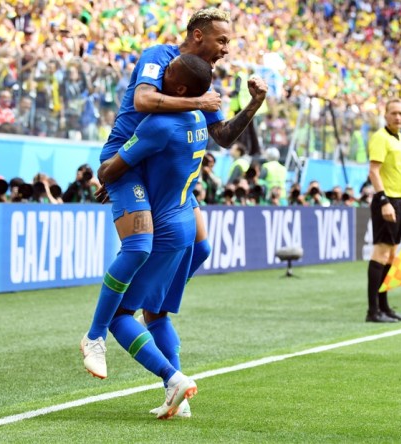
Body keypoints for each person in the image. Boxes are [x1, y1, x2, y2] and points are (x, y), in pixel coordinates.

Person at [81, 7, 267, 381]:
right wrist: (199, 103)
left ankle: (156, 305)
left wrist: (253, 105)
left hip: (160, 170)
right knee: (139, 248)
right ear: (198, 35)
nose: (227, 49)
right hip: (128, 160)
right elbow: (144, 102)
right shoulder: (160, 58)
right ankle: (96, 336)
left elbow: (223, 137)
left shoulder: (202, 81)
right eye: (222, 40)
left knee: (200, 247)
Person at [95, 53, 213, 419]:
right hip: (186, 225)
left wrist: (110, 177)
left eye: (169, 72)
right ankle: (178, 399)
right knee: (157, 314)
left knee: (120, 316)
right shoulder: (198, 118)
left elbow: (109, 169)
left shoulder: (159, 125)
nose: (161, 73)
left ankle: (172, 377)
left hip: (162, 229)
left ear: (178, 87)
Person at [366, 98, 401, 323]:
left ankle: (384, 307)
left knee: (391, 256)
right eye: (393, 112)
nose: (398, 117)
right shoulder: (380, 138)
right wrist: (383, 200)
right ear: (385, 115)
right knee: (381, 253)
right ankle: (372, 310)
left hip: (399, 200)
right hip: (386, 201)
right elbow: (374, 172)